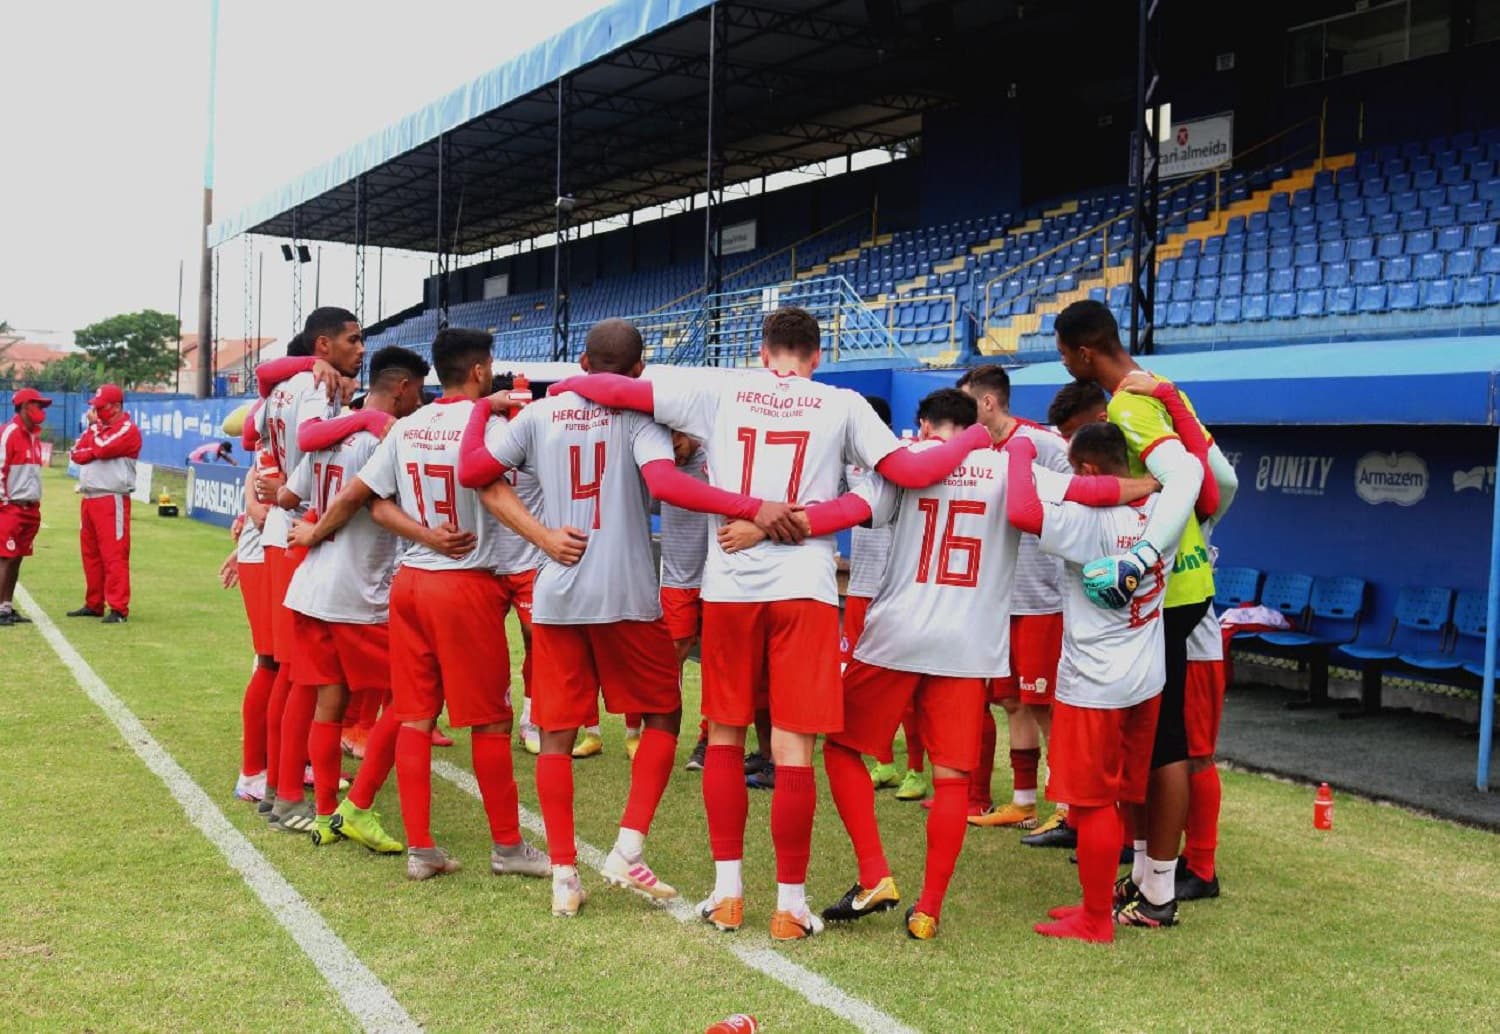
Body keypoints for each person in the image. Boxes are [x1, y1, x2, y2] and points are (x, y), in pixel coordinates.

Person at [550, 305, 995, 940]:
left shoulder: (721, 388)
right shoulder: (841, 402)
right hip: (805, 591)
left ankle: (728, 894)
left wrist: (563, 387)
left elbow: (611, 387)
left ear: (762, 353)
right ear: (817, 357)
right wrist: (977, 432)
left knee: (726, 737)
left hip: (730, 586)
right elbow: (913, 473)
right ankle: (789, 906)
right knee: (792, 752)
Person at [459, 318, 786, 917]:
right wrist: (749, 506)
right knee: (664, 713)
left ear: (581, 360)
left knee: (555, 733)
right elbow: (667, 483)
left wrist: (540, 532)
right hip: (630, 595)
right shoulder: (639, 417)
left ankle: (563, 874)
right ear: (639, 370)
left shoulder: (536, 416)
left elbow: (475, 475)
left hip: (558, 594)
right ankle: (627, 848)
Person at [297, 327, 547, 881]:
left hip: (409, 582)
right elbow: (497, 492)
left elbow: (372, 504)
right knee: (487, 722)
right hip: (465, 584)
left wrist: (424, 535)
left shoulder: (409, 425)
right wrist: (546, 539)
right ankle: (508, 847)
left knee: (411, 716)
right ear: (480, 370)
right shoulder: (493, 429)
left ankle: (421, 849)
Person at [779, 387, 1019, 940]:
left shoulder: (904, 464)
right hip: (968, 643)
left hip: (896, 633)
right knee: (953, 778)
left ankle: (875, 874)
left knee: (841, 748)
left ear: (924, 424)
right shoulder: (1009, 468)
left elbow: (852, 511)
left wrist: (785, 522)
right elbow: (1061, 503)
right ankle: (928, 910)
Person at [1052, 299, 1235, 927]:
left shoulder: (1128, 405)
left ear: (1081, 353)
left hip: (1160, 592)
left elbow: (1193, 480)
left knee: (1163, 744)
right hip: (1186, 582)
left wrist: (1147, 552)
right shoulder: (1154, 393)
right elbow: (1223, 484)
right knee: (1162, 739)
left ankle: (1158, 889)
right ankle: (1145, 876)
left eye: (1061, 352)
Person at [1004, 422, 1176, 944]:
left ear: (1089, 473)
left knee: (1093, 801)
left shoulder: (1089, 518)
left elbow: (1023, 509)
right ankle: (1101, 899)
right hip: (1146, 674)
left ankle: (1097, 918)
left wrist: (1015, 447)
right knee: (1121, 793)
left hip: (1094, 681)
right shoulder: (1164, 507)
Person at [280, 345, 432, 852]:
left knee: (330, 700)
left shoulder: (335, 431)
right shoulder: (384, 437)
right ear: (404, 388)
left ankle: (325, 814)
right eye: (418, 393)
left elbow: (286, 496)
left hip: (310, 591)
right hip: (358, 594)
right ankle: (358, 806)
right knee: (412, 697)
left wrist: (301, 523)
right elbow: (365, 505)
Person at [253, 312, 365, 832]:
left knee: (285, 671)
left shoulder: (284, 385)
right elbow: (315, 437)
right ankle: (286, 793)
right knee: (299, 676)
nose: (361, 349)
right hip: (302, 533)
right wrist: (368, 419)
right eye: (353, 339)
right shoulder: (314, 388)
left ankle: (277, 786)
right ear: (324, 345)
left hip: (287, 528)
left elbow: (255, 430)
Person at [956, 365, 1072, 833]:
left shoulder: (1043, 444)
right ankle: (1024, 802)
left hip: (1041, 598)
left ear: (988, 402)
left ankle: (1068, 806)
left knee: (1046, 706)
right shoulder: (978, 449)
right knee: (1012, 702)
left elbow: (1076, 499)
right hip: (997, 601)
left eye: (969, 405)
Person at [67, 384, 142, 623]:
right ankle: (94, 602)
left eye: (101, 408)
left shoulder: (127, 429)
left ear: (116, 407)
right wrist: (94, 440)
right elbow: (77, 453)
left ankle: (118, 608)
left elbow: (102, 448)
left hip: (112, 497)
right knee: (91, 554)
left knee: (114, 554)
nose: (96, 412)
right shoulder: (99, 428)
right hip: (89, 497)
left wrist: (94, 436)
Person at [0, 387, 50, 626]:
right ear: (24, 406)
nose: (41, 411)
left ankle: (6, 606)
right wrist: (3, 500)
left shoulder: (34, 436)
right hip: (11, 506)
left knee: (18, 557)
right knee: (6, 557)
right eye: (38, 405)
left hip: (30, 508)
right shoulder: (9, 433)